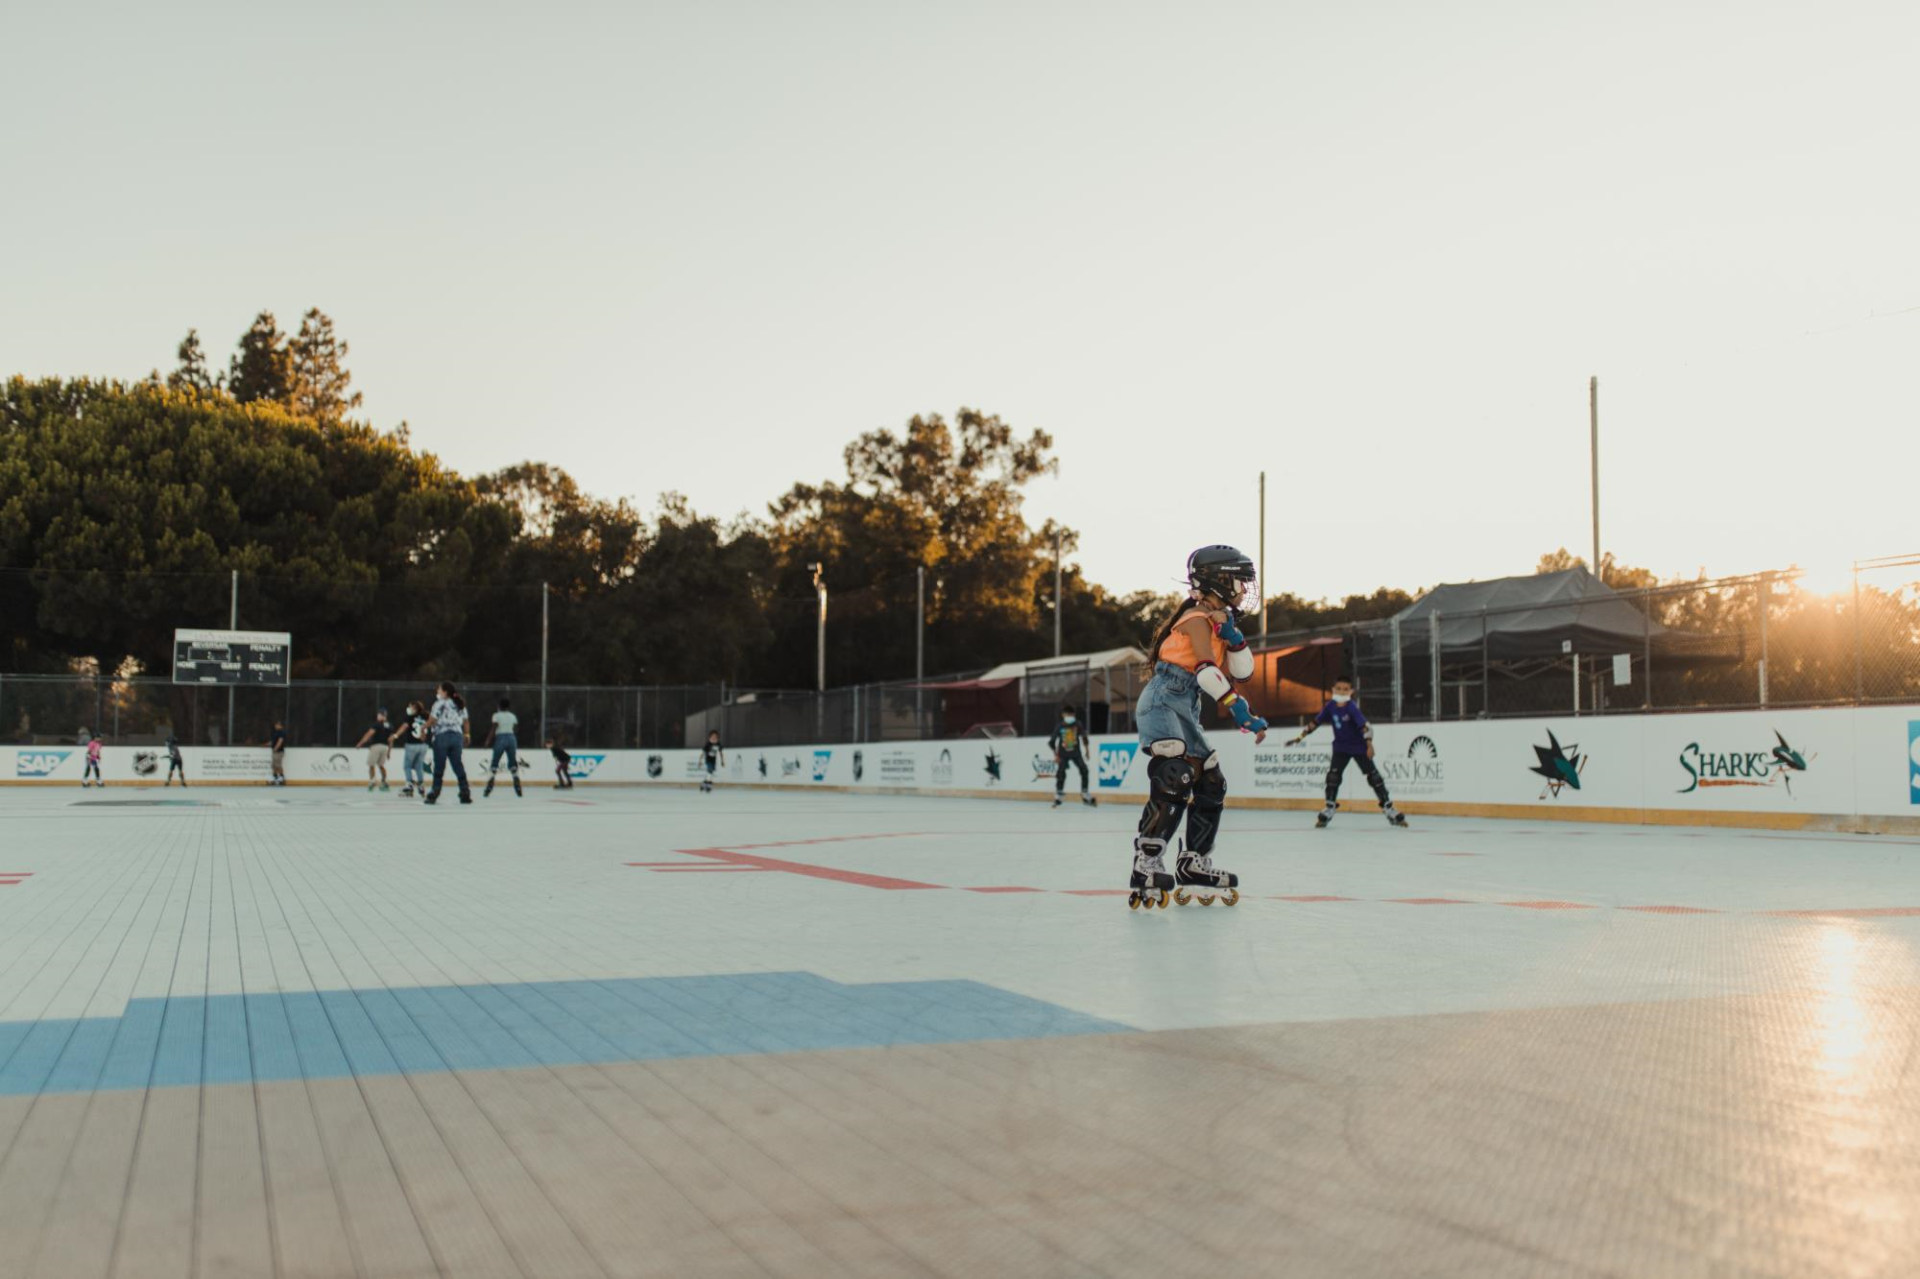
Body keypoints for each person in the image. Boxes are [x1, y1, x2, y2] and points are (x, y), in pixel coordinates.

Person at [1126, 545, 1268, 909]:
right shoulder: (1195, 616)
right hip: (1163, 699)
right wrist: (1241, 712)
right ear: (1219, 580)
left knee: (1211, 780)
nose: (1244, 590)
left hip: (1186, 704)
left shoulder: (1218, 622)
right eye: (1239, 581)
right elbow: (1206, 670)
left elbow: (1243, 671)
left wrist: (1234, 637)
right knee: (1176, 774)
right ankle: (1147, 861)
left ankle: (1193, 862)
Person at [1286, 677, 1407, 828]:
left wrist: (1369, 745)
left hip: (1359, 748)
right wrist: (1300, 737)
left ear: (1351, 691)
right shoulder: (1330, 706)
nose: (1341, 691)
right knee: (1333, 777)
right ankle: (1330, 807)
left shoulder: (1351, 707)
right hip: (1340, 748)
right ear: (1333, 690)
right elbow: (1315, 723)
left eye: (1345, 689)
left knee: (1374, 777)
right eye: (1339, 688)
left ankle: (1388, 808)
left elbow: (1364, 727)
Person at [424, 682, 471, 805]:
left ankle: (435, 792)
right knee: (457, 765)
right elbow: (465, 721)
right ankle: (465, 791)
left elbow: (433, 720)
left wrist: (423, 728)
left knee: (439, 766)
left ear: (445, 692)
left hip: (442, 736)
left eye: (439, 689)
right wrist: (467, 735)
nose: (437, 691)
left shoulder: (439, 703)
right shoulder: (459, 704)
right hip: (457, 737)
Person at [1048, 703, 1094, 809]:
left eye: (1071, 714)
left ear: (1073, 715)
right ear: (1063, 715)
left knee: (1084, 770)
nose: (1069, 717)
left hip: (1076, 753)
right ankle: (1059, 794)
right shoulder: (1060, 726)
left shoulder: (1078, 724)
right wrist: (1056, 755)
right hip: (1063, 754)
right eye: (1067, 714)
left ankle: (1085, 792)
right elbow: (1052, 742)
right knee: (1061, 773)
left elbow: (1084, 737)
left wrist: (1087, 751)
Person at [483, 697, 522, 798]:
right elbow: (515, 728)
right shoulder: (512, 716)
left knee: (495, 761)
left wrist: (488, 740)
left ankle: (489, 785)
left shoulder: (496, 715)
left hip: (501, 738)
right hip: (511, 737)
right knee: (512, 762)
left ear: (499, 706)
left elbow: (494, 727)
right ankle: (517, 784)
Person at [393, 702, 430, 798]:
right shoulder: (425, 717)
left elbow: (404, 727)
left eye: (410, 706)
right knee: (419, 766)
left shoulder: (410, 717)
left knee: (407, 766)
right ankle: (421, 785)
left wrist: (395, 735)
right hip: (423, 745)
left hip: (412, 744)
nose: (408, 708)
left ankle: (409, 785)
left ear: (414, 708)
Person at [354, 708, 395, 792]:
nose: (377, 716)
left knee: (371, 764)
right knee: (381, 765)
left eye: (379, 715)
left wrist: (360, 743)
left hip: (376, 746)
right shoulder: (390, 725)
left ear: (382, 715)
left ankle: (372, 780)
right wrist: (389, 751)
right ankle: (384, 781)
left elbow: (369, 734)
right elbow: (391, 739)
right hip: (385, 747)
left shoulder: (376, 724)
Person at [268, 721, 288, 786]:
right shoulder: (275, 732)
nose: (275, 726)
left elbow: (280, 741)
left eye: (277, 725)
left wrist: (276, 748)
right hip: (274, 751)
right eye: (275, 725)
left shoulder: (282, 732)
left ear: (281, 726)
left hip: (279, 751)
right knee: (273, 765)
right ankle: (275, 778)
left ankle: (282, 778)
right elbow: (273, 741)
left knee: (278, 765)